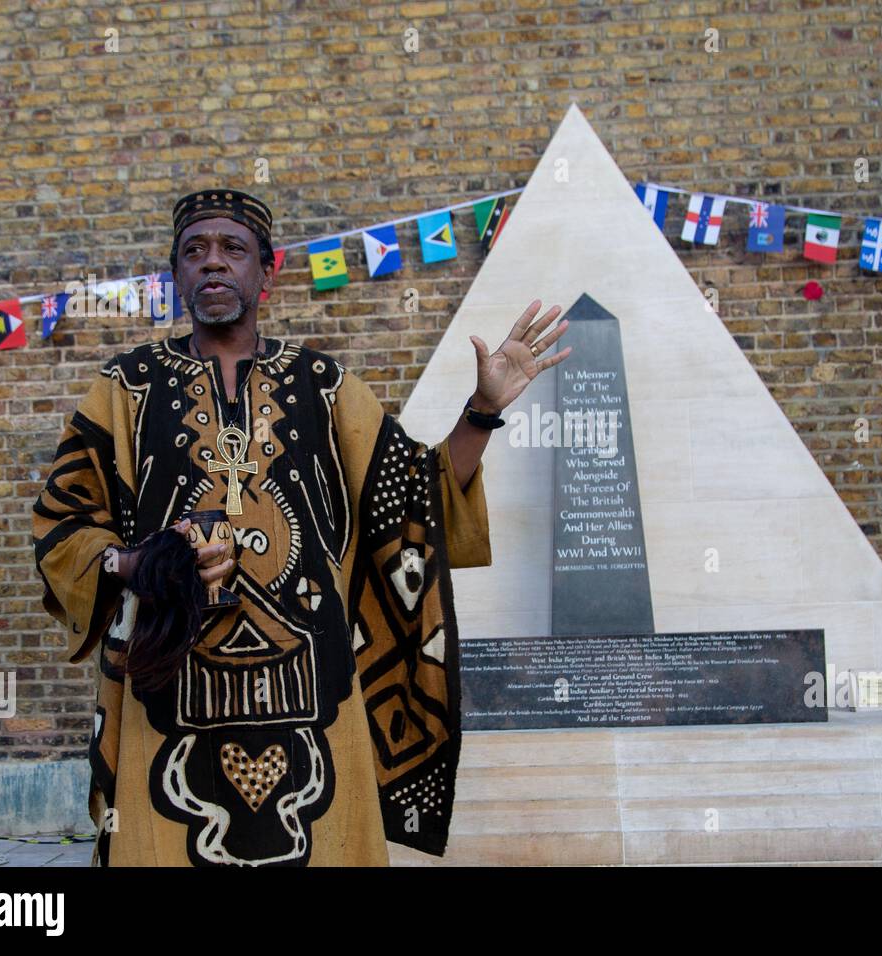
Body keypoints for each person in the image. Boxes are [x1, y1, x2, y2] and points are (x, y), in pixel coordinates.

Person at [31, 188, 570, 865]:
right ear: (176, 276)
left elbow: (413, 501)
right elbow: (63, 526)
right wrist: (133, 565)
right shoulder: (125, 388)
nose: (213, 264)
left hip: (311, 695)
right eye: (194, 252)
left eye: (233, 249)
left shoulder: (324, 386)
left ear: (268, 271)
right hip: (167, 691)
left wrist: (481, 412)